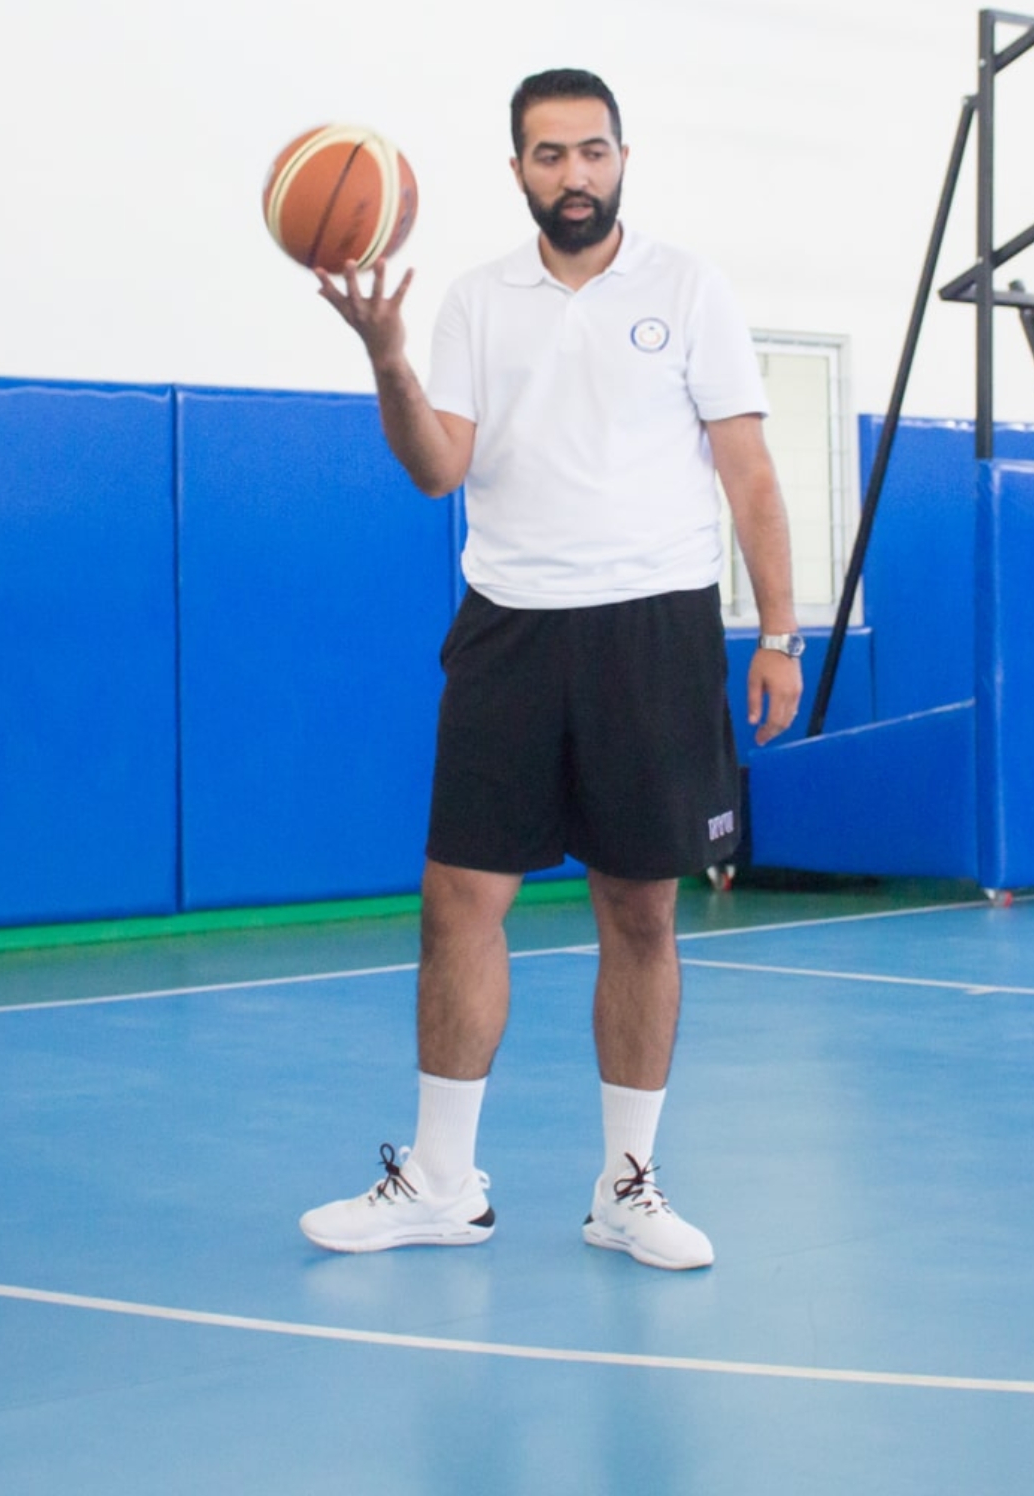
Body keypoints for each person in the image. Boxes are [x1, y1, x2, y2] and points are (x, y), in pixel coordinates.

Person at [299, 68, 802, 1270]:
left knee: (640, 908)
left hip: (653, 627)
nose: (572, 174)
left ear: (621, 156)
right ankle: (439, 1180)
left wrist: (779, 633)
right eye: (547, 153)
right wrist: (387, 359)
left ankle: (626, 1185)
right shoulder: (476, 299)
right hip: (511, 626)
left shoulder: (687, 287)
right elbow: (436, 467)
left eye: (590, 150)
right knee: (456, 900)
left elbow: (748, 473)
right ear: (517, 168)